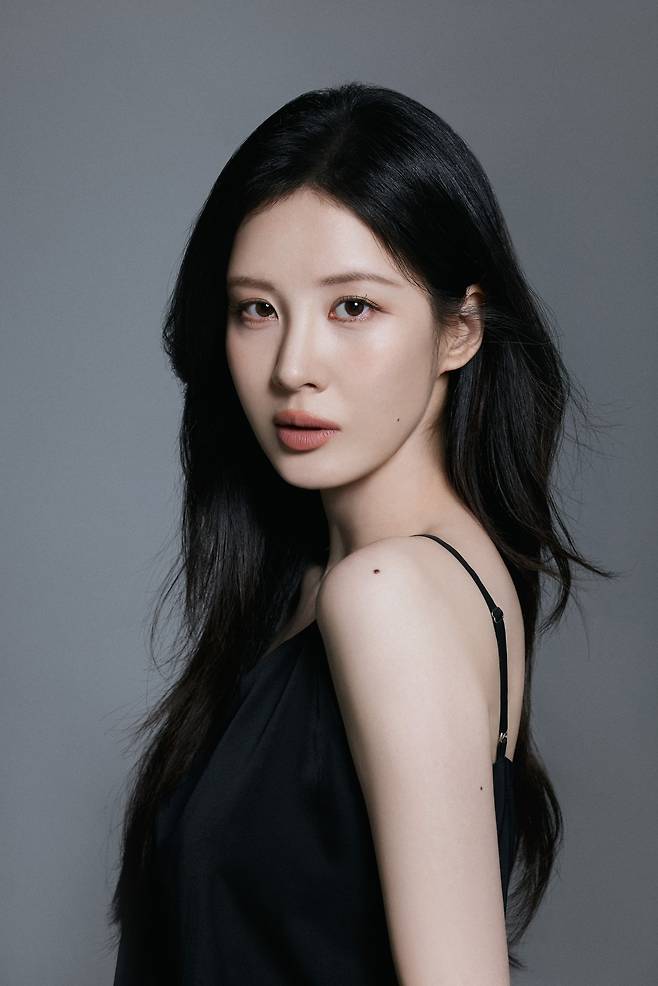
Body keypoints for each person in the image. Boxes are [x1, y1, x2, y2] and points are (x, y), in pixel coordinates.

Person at [108, 81, 612, 984]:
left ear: (459, 331)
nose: (293, 367)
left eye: (352, 307)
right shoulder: (361, 579)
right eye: (257, 308)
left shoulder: (388, 596)